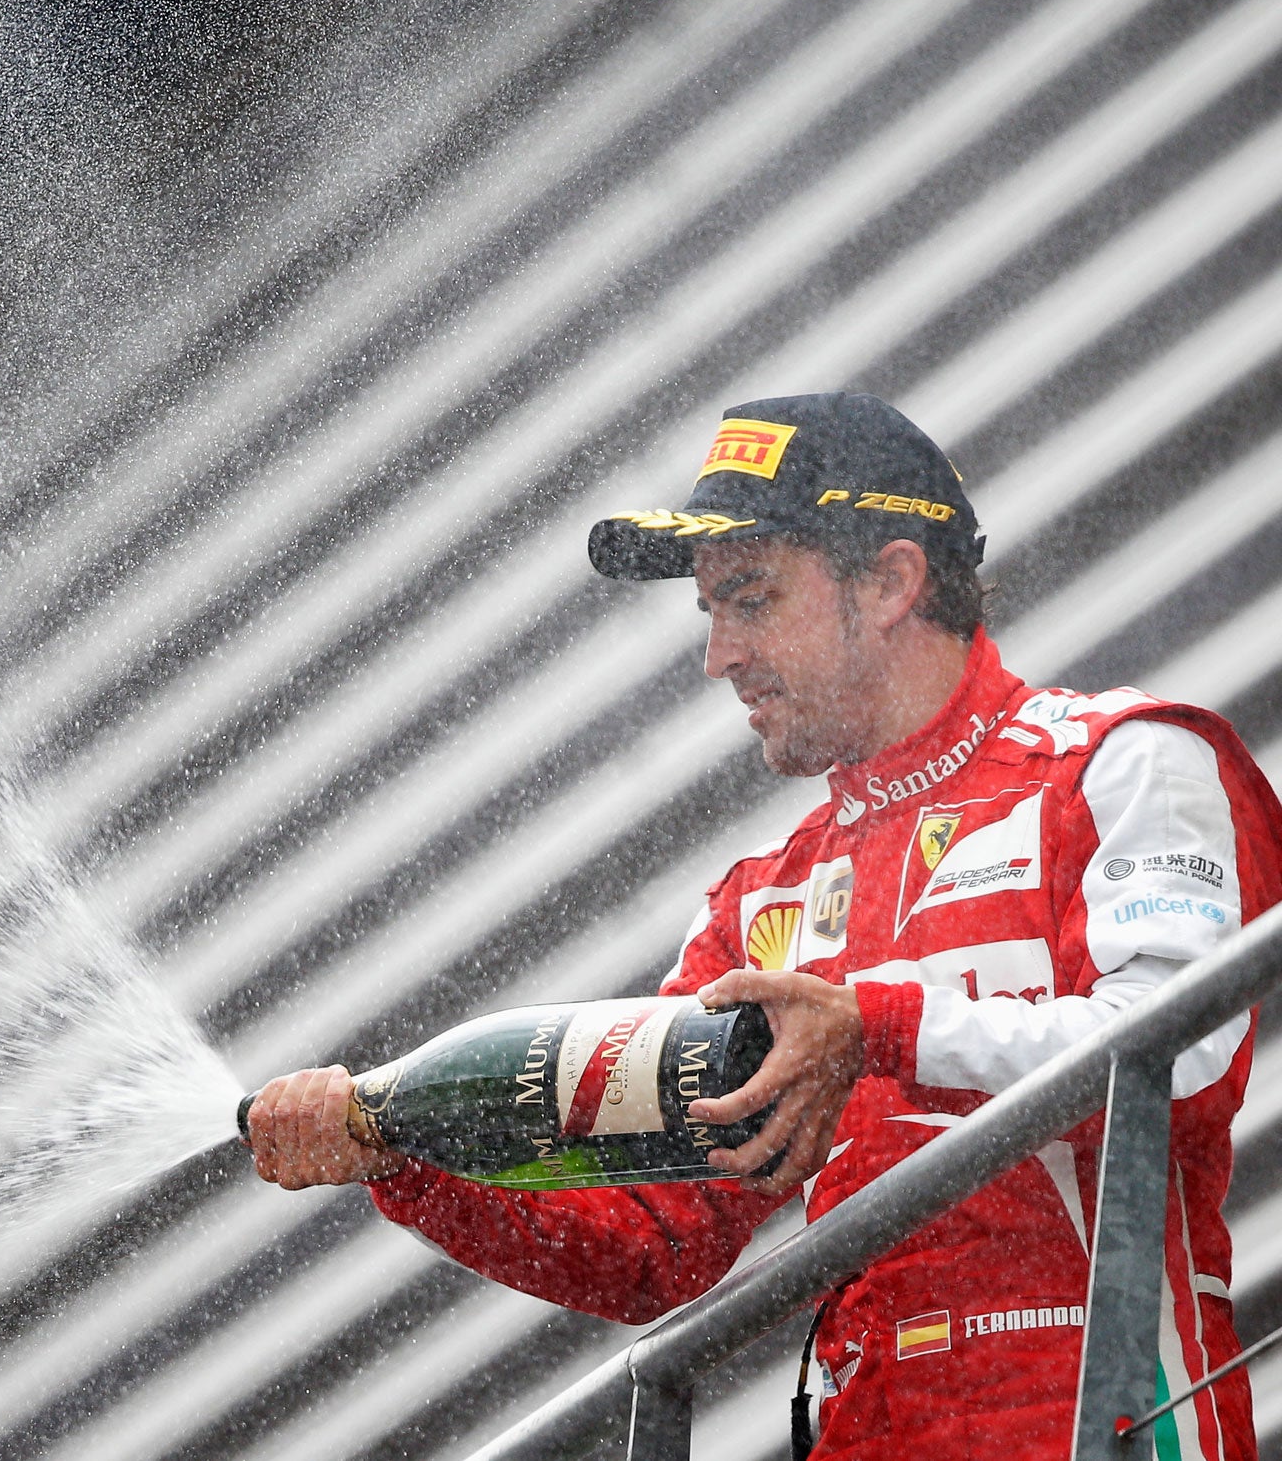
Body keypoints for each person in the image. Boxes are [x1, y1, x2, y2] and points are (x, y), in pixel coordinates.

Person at [243, 392, 1282, 1460]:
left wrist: (871, 1024)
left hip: (1102, 1416)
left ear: (887, 580)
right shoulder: (757, 905)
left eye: (749, 597)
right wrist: (399, 1154)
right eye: (710, 611)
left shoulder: (1123, 760)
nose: (718, 654)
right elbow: (651, 1243)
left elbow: (1180, 1052)